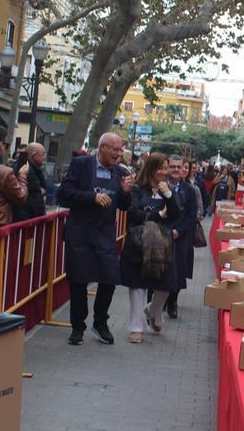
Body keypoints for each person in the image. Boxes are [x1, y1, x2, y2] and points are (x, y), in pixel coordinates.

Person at [58, 132, 133, 345]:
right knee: (79, 279)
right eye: (115, 150)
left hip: (104, 232)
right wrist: (92, 197)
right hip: (79, 231)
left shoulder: (120, 172)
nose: (119, 154)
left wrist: (126, 193)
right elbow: (64, 194)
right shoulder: (81, 165)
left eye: (121, 150)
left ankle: (100, 322)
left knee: (110, 277)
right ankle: (77, 326)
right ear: (102, 148)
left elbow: (125, 206)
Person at [123, 153, 180, 343]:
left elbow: (175, 214)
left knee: (166, 284)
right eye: (161, 168)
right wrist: (158, 214)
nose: (164, 172)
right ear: (151, 168)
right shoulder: (138, 189)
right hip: (138, 243)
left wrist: (169, 196)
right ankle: (136, 327)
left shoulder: (169, 190)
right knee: (137, 285)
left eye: (166, 168)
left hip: (162, 244)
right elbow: (134, 214)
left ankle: (154, 310)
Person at [166, 154, 196, 319]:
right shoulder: (160, 187)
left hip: (181, 236)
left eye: (179, 166)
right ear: (167, 167)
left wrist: (179, 231)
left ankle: (173, 302)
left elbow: (193, 216)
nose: (176, 170)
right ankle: (157, 303)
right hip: (162, 235)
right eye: (173, 166)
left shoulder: (189, 190)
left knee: (178, 271)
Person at [14, 143, 49, 221]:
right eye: (43, 155)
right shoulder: (25, 170)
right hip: (26, 218)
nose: (44, 158)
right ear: (34, 155)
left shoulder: (37, 170)